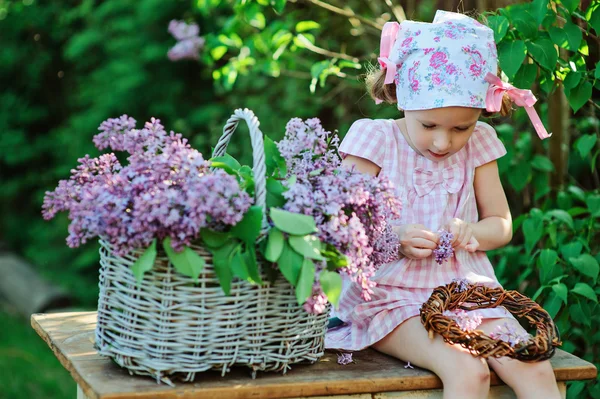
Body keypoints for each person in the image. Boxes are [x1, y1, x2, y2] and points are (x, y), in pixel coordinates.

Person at [325, 10, 561, 399]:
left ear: (480, 114)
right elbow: (338, 224)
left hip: (466, 292)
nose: (442, 143)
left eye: (460, 128)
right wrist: (393, 236)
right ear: (401, 98)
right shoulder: (375, 140)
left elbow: (501, 224)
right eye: (429, 126)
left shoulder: (480, 144)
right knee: (469, 370)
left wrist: (475, 233)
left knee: (532, 366)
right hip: (390, 296)